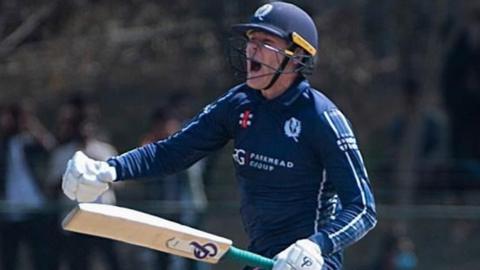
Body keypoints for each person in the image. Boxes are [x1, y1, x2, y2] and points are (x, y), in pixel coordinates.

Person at [61, 2, 377, 270]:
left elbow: (363, 208)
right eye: (251, 40)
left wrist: (316, 246)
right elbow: (172, 152)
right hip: (262, 258)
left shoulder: (321, 118)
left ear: (296, 57)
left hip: (309, 265)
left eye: (266, 43)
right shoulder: (238, 104)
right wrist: (110, 170)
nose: (251, 48)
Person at [0, 102, 56, 270]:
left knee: (40, 257)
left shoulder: (28, 142)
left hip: (34, 207)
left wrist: (31, 124)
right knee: (10, 259)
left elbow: (49, 147)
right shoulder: (3, 145)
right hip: (9, 211)